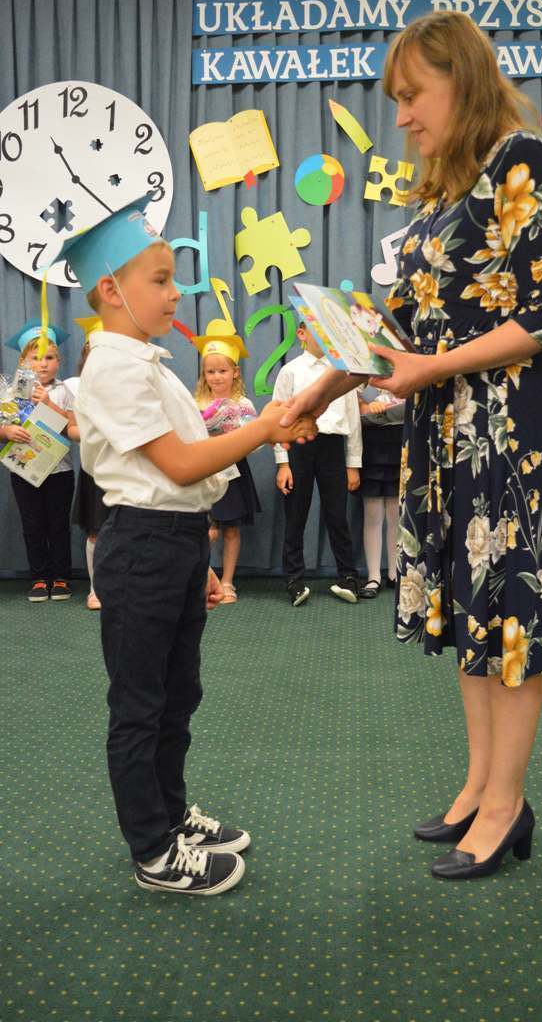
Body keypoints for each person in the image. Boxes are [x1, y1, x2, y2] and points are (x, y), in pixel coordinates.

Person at [280, 11, 542, 881]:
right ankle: (479, 786)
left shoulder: (522, 159)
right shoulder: (442, 190)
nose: (402, 117)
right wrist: (316, 394)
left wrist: (432, 368)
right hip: (446, 429)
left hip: (508, 431)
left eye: (411, 95)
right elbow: (394, 330)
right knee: (469, 613)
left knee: (510, 617)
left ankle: (506, 804)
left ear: (460, 79)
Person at [48, 194, 316, 896]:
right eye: (161, 279)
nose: (176, 293)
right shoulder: (114, 367)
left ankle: (170, 815)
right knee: (140, 705)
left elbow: (178, 479)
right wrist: (265, 429)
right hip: (140, 545)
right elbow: (179, 464)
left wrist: (197, 561)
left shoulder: (150, 362)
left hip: (171, 541)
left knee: (176, 695)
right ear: (112, 290)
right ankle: (152, 850)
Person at [273, 319, 362, 607]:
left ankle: (348, 576)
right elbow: (277, 418)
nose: (325, 336)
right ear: (301, 334)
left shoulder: (343, 373)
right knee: (296, 515)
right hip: (298, 447)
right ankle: (294, 580)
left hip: (333, 447)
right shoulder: (290, 371)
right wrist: (282, 463)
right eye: (317, 329)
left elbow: (353, 419)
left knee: (337, 515)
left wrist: (353, 464)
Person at [4, 319, 75, 601]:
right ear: (23, 361)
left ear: (58, 361)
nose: (42, 364)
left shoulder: (64, 390)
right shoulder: (11, 392)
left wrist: (48, 403)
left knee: (58, 525)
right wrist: (6, 432)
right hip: (24, 470)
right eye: (35, 358)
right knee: (32, 526)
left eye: (49, 358)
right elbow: (3, 424)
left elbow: (73, 427)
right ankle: (39, 578)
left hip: (60, 471)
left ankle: (61, 577)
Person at [193, 323, 261, 604]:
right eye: (211, 372)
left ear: (235, 372)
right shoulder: (195, 403)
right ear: (204, 375)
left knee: (231, 528)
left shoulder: (243, 404)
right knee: (205, 529)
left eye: (222, 371)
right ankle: (200, 579)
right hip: (204, 470)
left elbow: (255, 441)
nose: (217, 376)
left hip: (233, 472)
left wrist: (237, 437)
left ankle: (228, 581)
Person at [67, 316, 108, 610]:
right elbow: (71, 429)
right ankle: (96, 589)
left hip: (126, 469)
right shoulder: (75, 388)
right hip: (94, 467)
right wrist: (96, 431)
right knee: (96, 529)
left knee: (128, 529)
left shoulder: (128, 386)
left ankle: (124, 585)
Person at [355, 388, 405, 597]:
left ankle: (394, 573)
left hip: (401, 441)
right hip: (372, 444)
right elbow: (353, 396)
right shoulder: (364, 374)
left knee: (396, 514)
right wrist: (366, 406)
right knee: (372, 514)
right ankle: (373, 576)